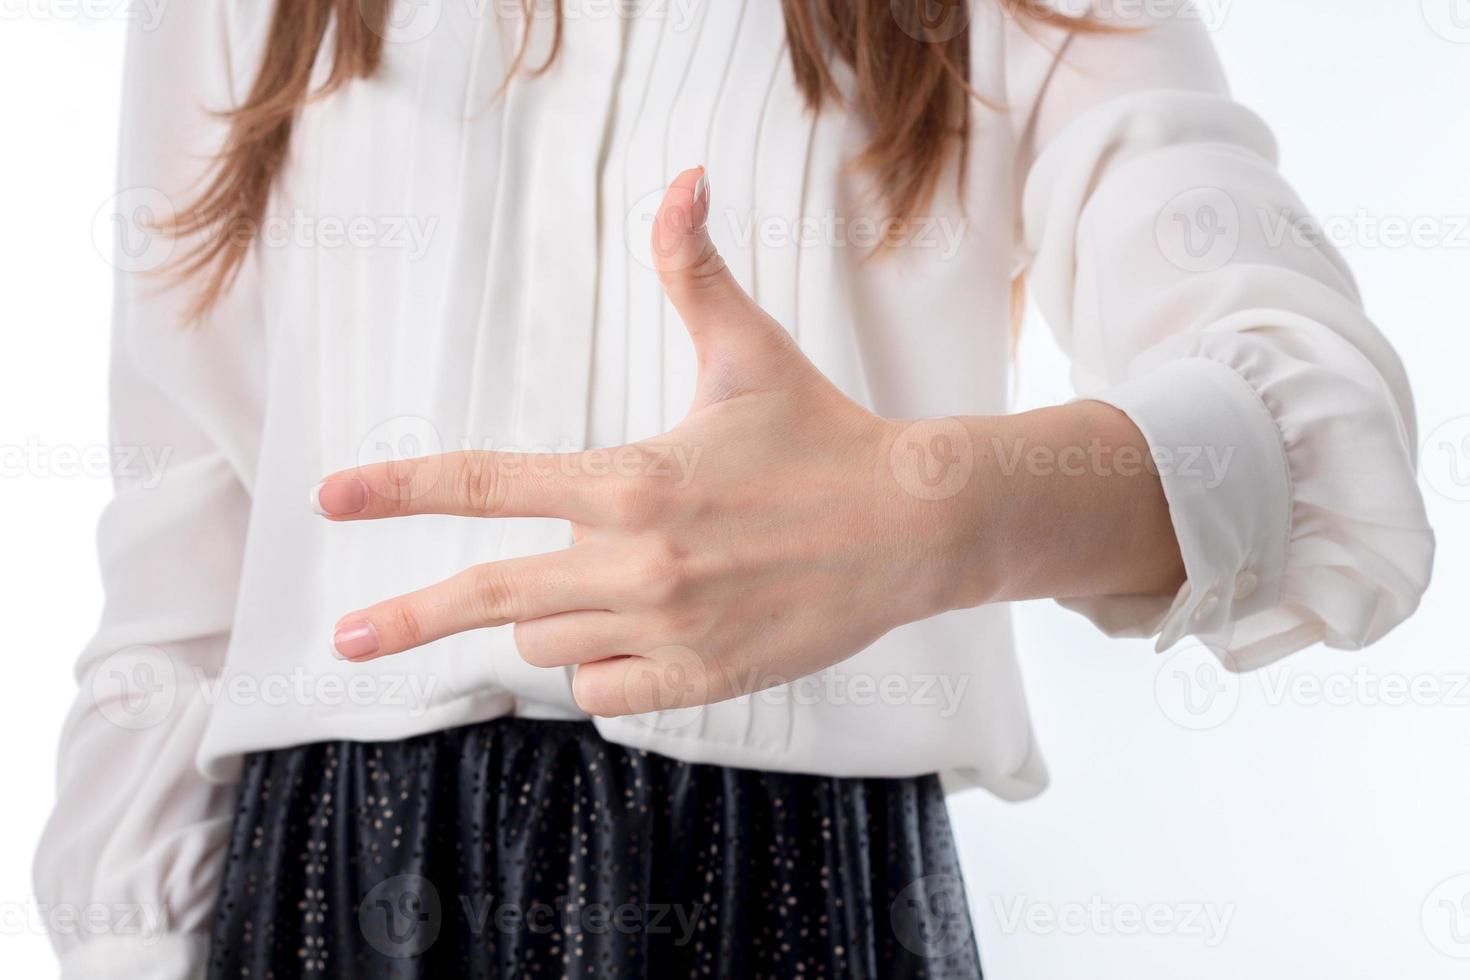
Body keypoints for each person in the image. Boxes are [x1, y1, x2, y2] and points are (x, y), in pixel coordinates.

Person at [36, 1, 1434, 977]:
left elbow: (1319, 424)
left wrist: (930, 508)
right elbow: (180, 545)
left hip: (795, 889)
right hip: (319, 889)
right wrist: (127, 944)